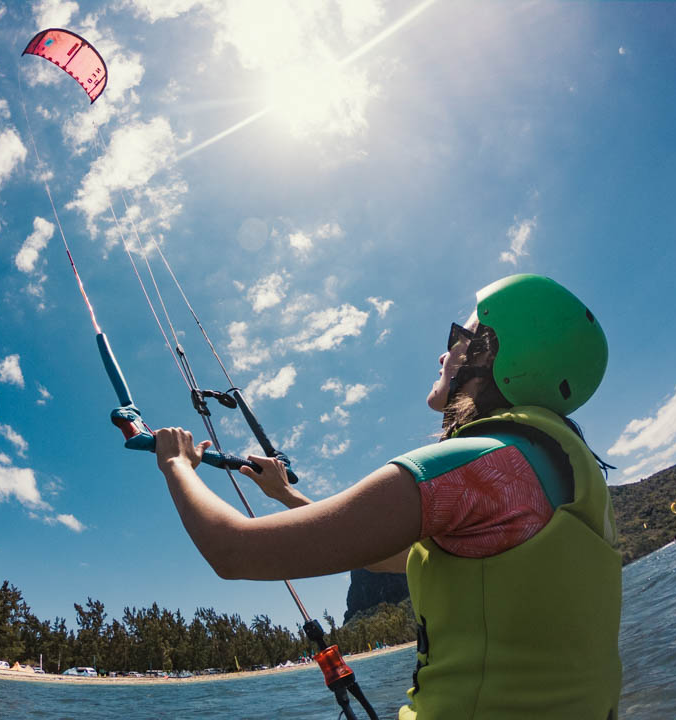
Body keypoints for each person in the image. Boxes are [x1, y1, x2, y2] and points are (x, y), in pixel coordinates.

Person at [155, 274, 621, 720]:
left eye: (458, 337)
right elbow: (386, 557)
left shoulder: (473, 466)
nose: (442, 356)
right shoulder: (560, 473)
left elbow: (233, 552)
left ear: (493, 353)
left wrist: (176, 463)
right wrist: (285, 495)